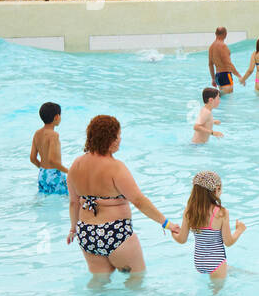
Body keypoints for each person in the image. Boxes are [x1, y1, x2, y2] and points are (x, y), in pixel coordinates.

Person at [67, 115, 179, 279]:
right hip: (115, 232)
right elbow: (139, 201)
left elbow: (73, 202)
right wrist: (166, 223)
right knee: (136, 281)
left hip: (86, 234)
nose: (120, 139)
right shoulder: (116, 168)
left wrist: (73, 229)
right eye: (118, 135)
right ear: (110, 139)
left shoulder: (76, 165)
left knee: (98, 285)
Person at [171, 170, 246, 284]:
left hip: (199, 263)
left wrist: (173, 232)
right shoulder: (221, 212)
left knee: (231, 271)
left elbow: (182, 239)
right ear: (216, 189)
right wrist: (239, 230)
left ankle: (236, 271)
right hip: (216, 263)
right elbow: (228, 242)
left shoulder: (189, 210)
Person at [31, 102, 69, 195]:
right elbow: (52, 160)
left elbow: (32, 158)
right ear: (56, 117)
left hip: (42, 174)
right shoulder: (53, 135)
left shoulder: (37, 133)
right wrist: (69, 172)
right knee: (65, 198)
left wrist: (44, 170)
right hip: (55, 175)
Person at [207, 26, 238, 94]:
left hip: (218, 76)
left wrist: (213, 79)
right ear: (225, 34)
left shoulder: (211, 47)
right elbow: (228, 63)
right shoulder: (222, 46)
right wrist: (239, 76)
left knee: (222, 98)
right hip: (225, 75)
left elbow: (210, 64)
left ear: (215, 33)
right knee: (229, 100)